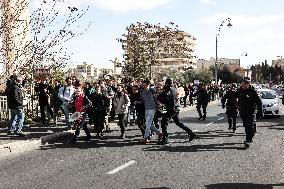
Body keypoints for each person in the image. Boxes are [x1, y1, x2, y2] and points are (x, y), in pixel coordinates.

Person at [157, 79, 196, 145]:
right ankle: (191, 133)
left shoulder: (169, 89)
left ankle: (165, 139)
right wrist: (159, 95)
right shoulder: (173, 88)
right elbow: (164, 95)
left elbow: (166, 99)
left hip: (172, 109)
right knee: (178, 123)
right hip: (175, 108)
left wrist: (158, 97)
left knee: (164, 122)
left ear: (167, 83)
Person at [237, 80, 262, 149]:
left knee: (249, 126)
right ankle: (250, 137)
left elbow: (259, 102)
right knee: (246, 126)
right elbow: (236, 96)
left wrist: (260, 112)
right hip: (243, 112)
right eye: (241, 85)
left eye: (243, 85)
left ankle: (247, 140)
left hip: (251, 112)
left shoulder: (253, 92)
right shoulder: (240, 91)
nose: (242, 86)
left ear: (247, 85)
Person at [139, 79, 162, 144]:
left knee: (148, 123)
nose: (144, 86)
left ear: (148, 85)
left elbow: (157, 96)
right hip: (146, 109)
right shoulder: (142, 92)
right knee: (149, 124)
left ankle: (145, 138)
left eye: (145, 85)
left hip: (152, 109)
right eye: (143, 85)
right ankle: (160, 134)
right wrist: (137, 102)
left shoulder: (152, 90)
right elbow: (143, 100)